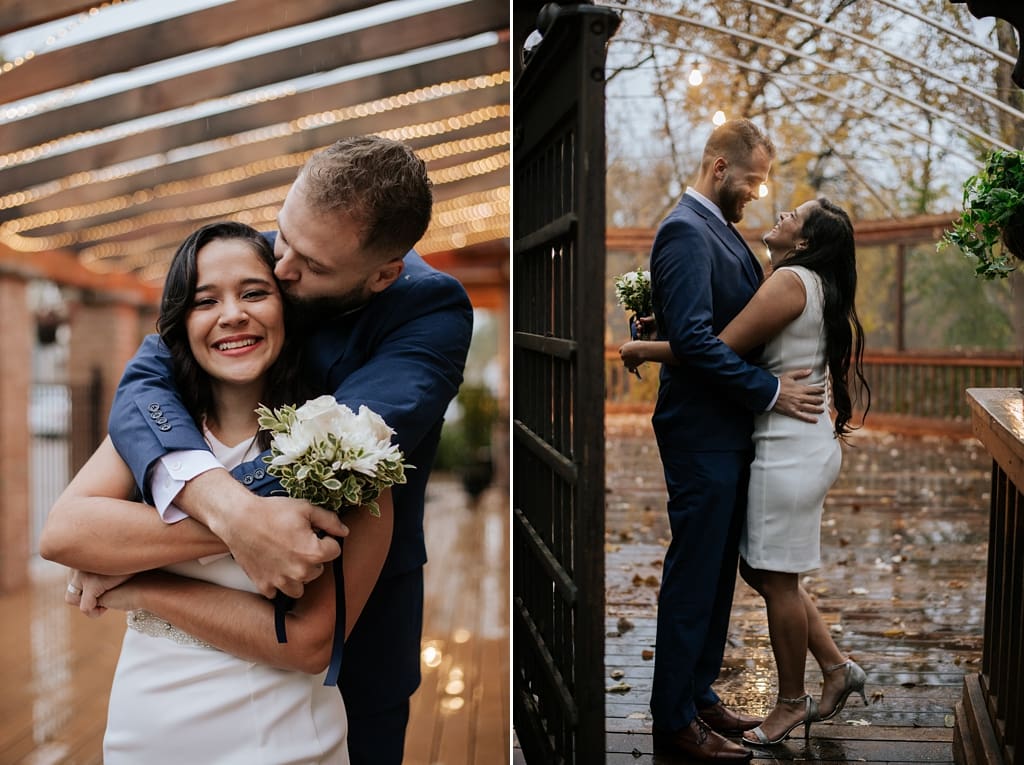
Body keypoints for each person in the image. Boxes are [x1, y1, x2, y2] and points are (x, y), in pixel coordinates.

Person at [72, 136, 474, 765]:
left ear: (382, 275)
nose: (281, 271)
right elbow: (147, 381)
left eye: (310, 267)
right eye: (283, 236)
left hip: (354, 612)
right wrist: (222, 508)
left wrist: (133, 558)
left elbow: (337, 451)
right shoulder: (260, 257)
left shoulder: (431, 310)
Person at [42, 221, 397, 762]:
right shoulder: (149, 439)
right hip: (144, 734)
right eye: (205, 301)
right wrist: (250, 527)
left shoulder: (345, 445)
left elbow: (308, 645)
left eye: (254, 293)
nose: (232, 314)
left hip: (281, 742)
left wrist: (141, 588)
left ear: (288, 309)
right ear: (181, 324)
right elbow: (64, 533)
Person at [621, 198, 872, 748]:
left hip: (788, 449)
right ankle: (834, 668)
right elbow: (736, 333)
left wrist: (643, 345)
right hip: (798, 446)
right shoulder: (812, 282)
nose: (778, 215)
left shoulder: (790, 283)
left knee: (776, 581)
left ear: (803, 242)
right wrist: (667, 321)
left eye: (792, 217)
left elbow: (715, 347)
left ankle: (789, 704)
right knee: (764, 573)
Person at [615, 118, 825, 763]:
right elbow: (703, 344)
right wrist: (770, 393)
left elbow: (704, 320)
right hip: (702, 433)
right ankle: (673, 720)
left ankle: (699, 695)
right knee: (693, 576)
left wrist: (660, 325)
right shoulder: (685, 230)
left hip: (727, 433)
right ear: (718, 169)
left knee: (714, 580)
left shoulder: (721, 234)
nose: (757, 193)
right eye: (753, 180)